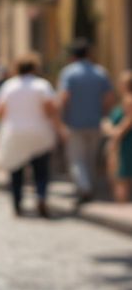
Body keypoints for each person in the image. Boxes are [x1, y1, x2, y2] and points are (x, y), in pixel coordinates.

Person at [0, 52, 63, 218]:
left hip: (15, 132)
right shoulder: (42, 85)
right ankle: (41, 196)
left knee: (16, 170)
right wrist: (59, 128)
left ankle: (17, 203)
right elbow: (50, 110)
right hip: (39, 132)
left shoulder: (9, 86)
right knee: (41, 170)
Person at [57, 37, 114, 204]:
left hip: (74, 123)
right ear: (88, 54)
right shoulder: (100, 72)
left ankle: (84, 188)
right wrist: (103, 114)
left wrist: (60, 121)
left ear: (73, 55)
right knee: (90, 157)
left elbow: (64, 97)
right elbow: (109, 97)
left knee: (76, 159)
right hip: (95, 121)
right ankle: (89, 187)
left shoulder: (68, 73)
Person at [102, 71, 132, 203]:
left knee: (121, 178)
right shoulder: (124, 100)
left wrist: (114, 134)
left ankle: (122, 206)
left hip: (124, 142)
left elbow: (129, 120)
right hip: (122, 140)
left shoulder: (128, 100)